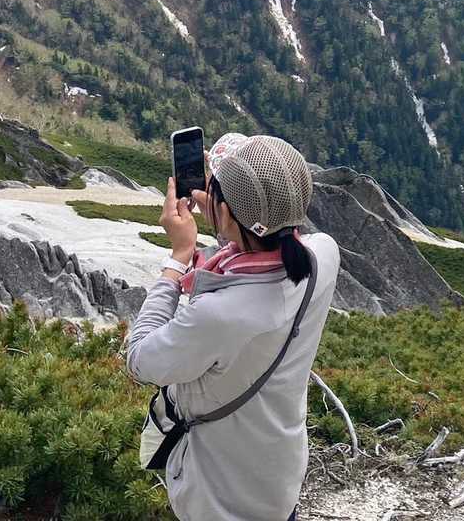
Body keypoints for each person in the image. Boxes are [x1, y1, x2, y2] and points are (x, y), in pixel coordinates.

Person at [127, 133, 340, 521]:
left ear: (226, 215)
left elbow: (141, 359)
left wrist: (179, 257)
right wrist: (225, 205)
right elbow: (268, 236)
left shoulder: (219, 315)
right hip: (278, 478)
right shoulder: (323, 255)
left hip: (222, 496)